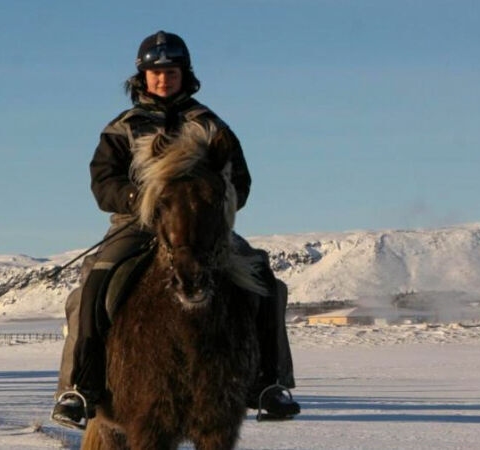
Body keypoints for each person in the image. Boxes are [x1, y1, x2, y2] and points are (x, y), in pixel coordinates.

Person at [51, 30, 300, 428]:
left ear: (185, 74)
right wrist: (136, 200)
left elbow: (240, 180)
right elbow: (103, 182)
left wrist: (218, 206)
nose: (163, 78)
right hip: (138, 224)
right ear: (142, 77)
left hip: (203, 227)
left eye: (171, 71)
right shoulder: (122, 128)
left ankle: (269, 383)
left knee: (264, 279)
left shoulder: (211, 125)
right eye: (156, 72)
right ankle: (80, 387)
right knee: (92, 286)